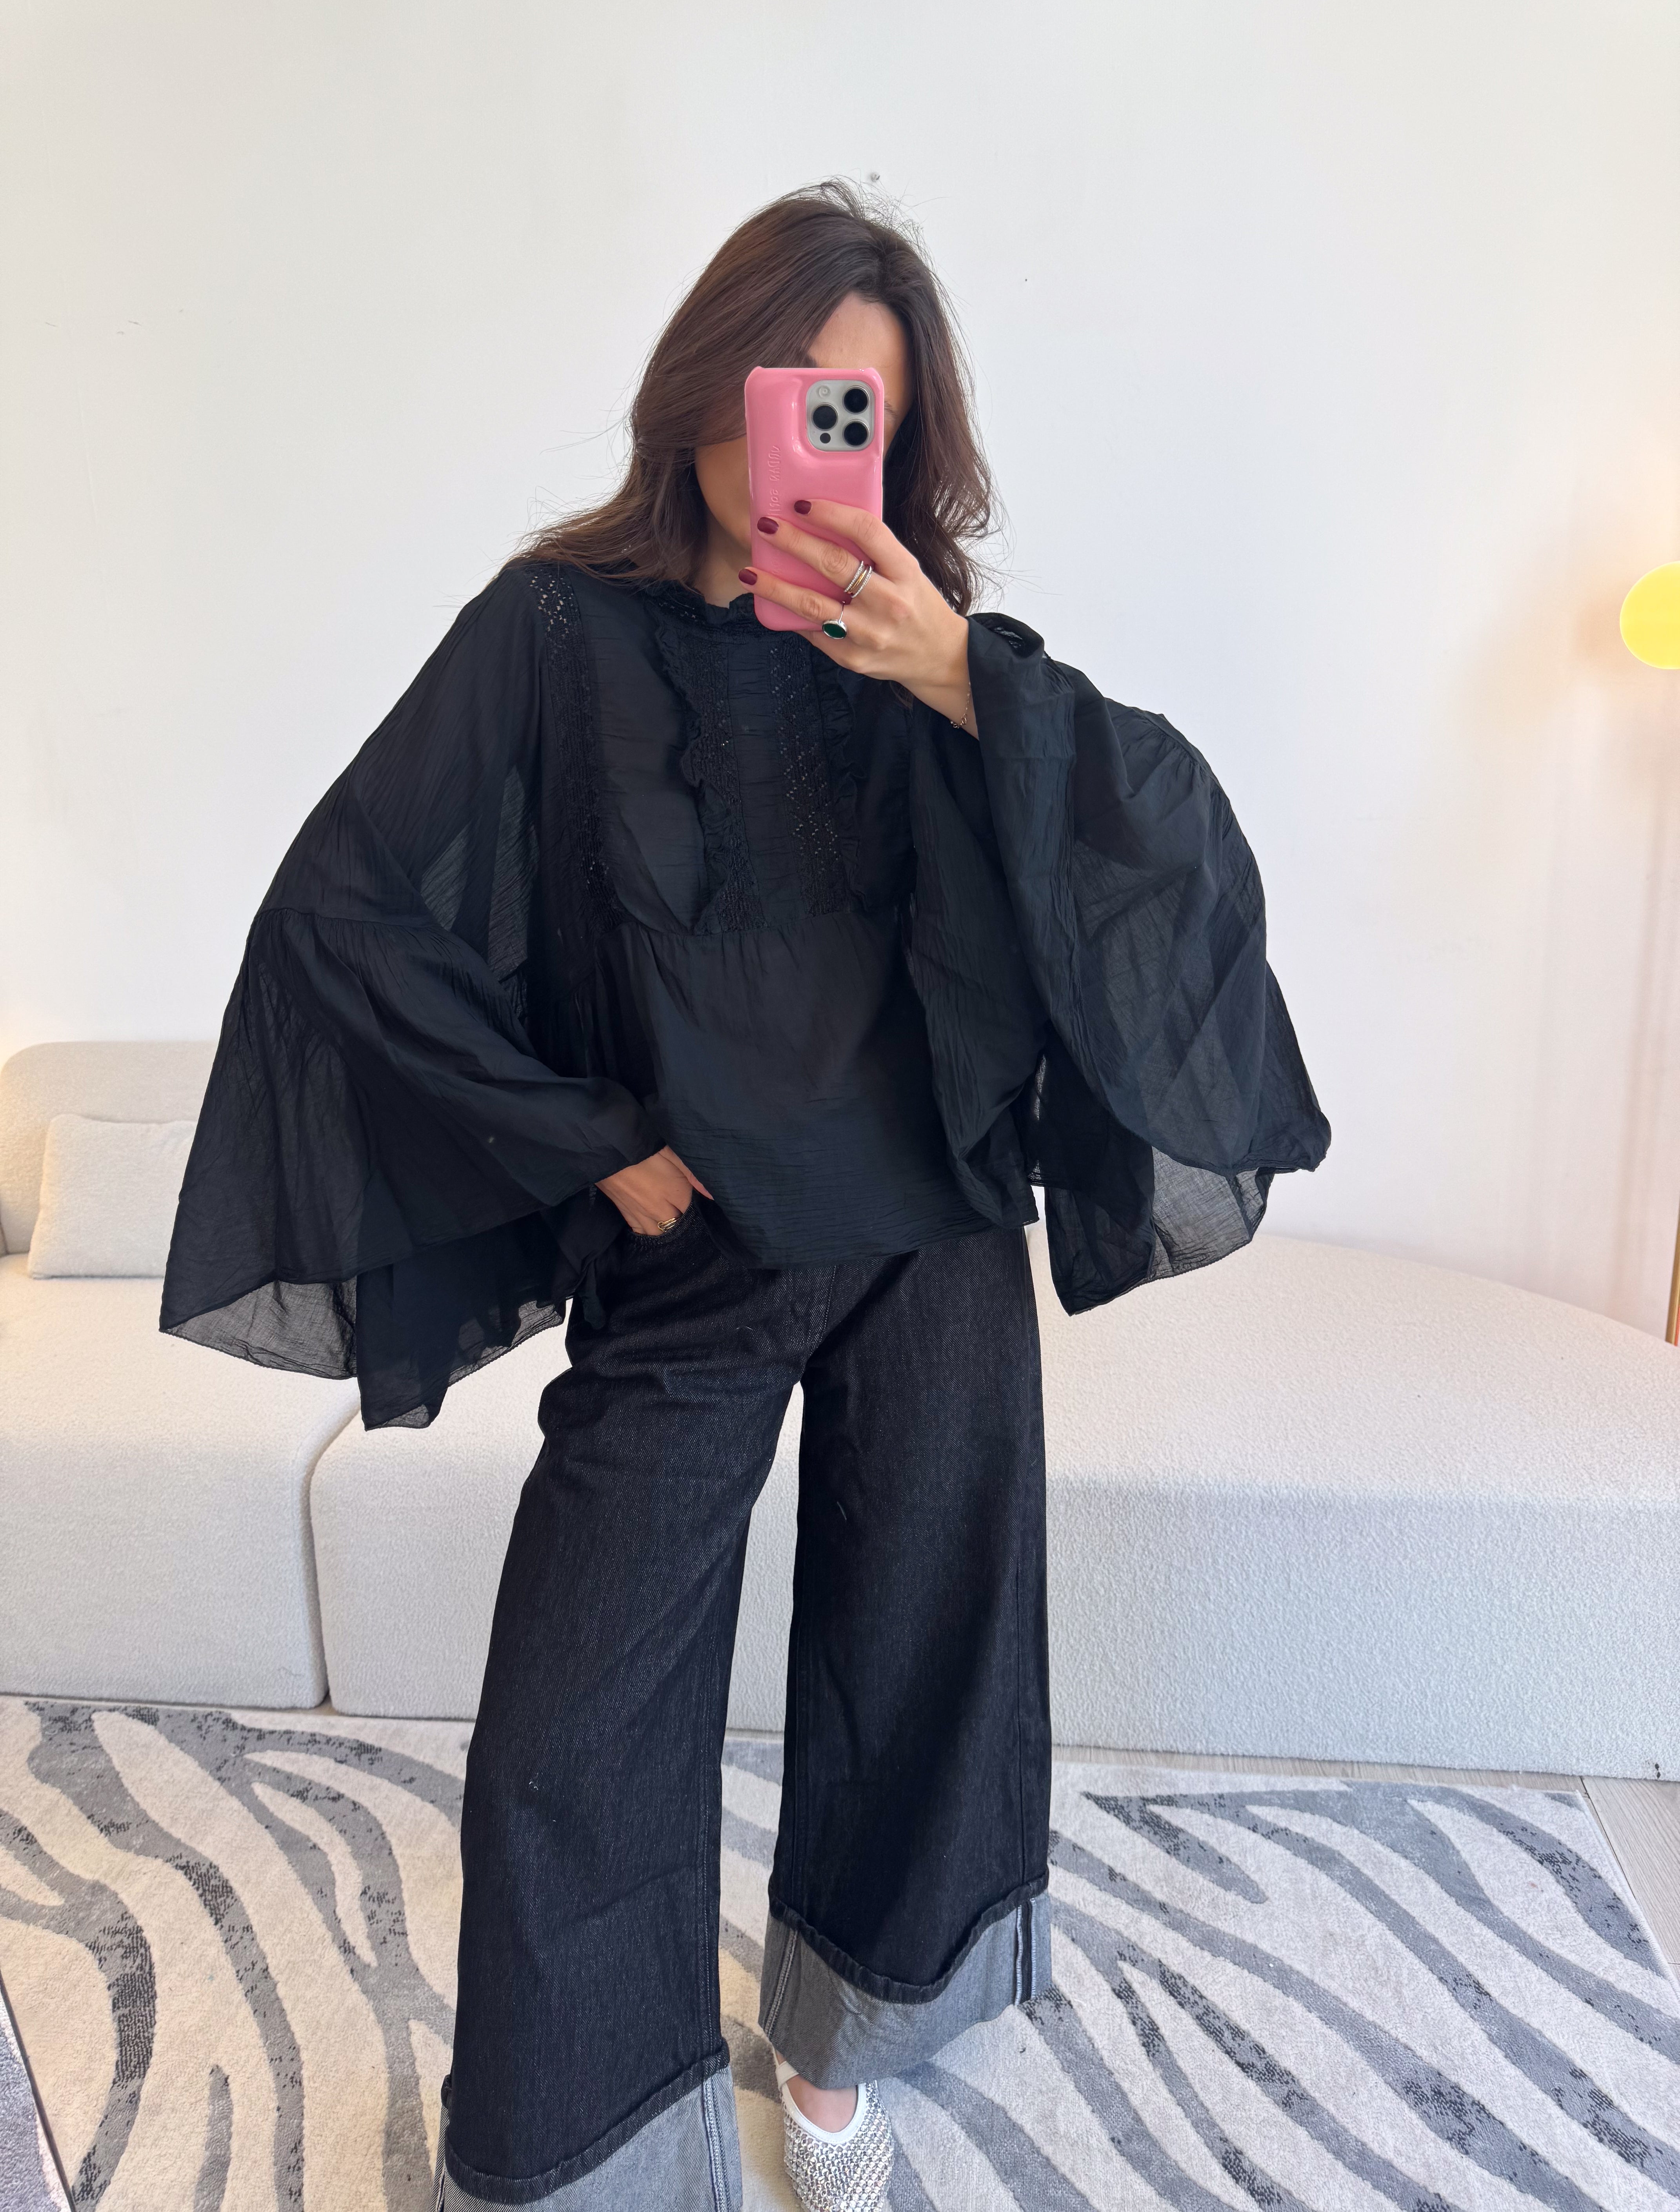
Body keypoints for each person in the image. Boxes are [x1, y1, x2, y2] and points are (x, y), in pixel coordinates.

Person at [162, 179, 1329, 2212]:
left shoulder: (929, 642)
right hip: (696, 1252)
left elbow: (1178, 849)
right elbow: (348, 910)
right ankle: (589, 2152)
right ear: (712, 384)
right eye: (795, 391)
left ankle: (840, 2041)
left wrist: (962, 679)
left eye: (862, 415)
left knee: (925, 1668)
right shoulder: (557, 634)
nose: (815, 446)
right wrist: (590, 1142)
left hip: (932, 1236)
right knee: (573, 1723)